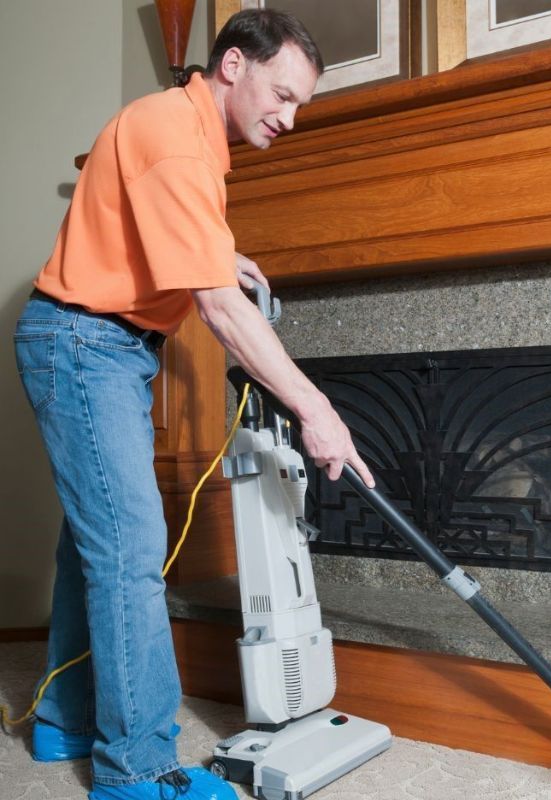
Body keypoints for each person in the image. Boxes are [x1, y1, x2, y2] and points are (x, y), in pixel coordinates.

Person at [13, 9, 374, 800]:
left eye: (300, 106)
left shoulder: (188, 135)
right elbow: (218, 309)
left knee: (95, 544)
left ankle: (64, 721)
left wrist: (221, 253)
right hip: (83, 344)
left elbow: (170, 243)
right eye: (281, 94)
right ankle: (138, 770)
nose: (288, 115)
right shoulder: (176, 138)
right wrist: (318, 410)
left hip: (102, 346)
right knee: (131, 555)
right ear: (234, 65)